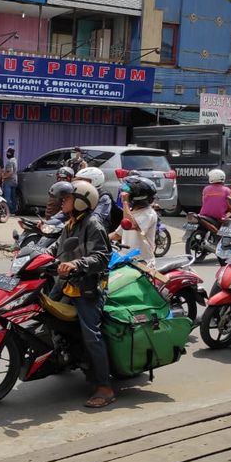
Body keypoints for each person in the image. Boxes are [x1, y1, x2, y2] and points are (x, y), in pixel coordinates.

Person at [48, 180, 113, 408]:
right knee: (43, 314)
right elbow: (56, 247)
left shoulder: (93, 224)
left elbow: (103, 257)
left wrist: (77, 263)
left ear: (80, 201)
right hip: (66, 282)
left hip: (87, 287)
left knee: (91, 335)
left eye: (65, 198)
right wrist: (35, 255)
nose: (62, 201)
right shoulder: (70, 223)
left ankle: (104, 386)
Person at [110, 176, 158, 265]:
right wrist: (99, 239)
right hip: (126, 259)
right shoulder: (132, 212)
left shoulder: (148, 214)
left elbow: (130, 225)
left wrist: (125, 202)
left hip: (141, 262)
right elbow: (117, 234)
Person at [76, 166, 119, 232]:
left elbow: (97, 217)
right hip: (79, 229)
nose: (80, 183)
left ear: (95, 181)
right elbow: (65, 213)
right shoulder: (79, 194)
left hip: (97, 232)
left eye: (83, 180)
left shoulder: (104, 197)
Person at [2, 148, 19, 214]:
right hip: (14, 180)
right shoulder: (14, 160)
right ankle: (13, 211)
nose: (6, 154)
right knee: (13, 197)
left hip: (9, 181)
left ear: (9, 153)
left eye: (7, 153)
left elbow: (10, 172)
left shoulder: (10, 161)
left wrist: (3, 177)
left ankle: (8, 211)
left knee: (7, 198)